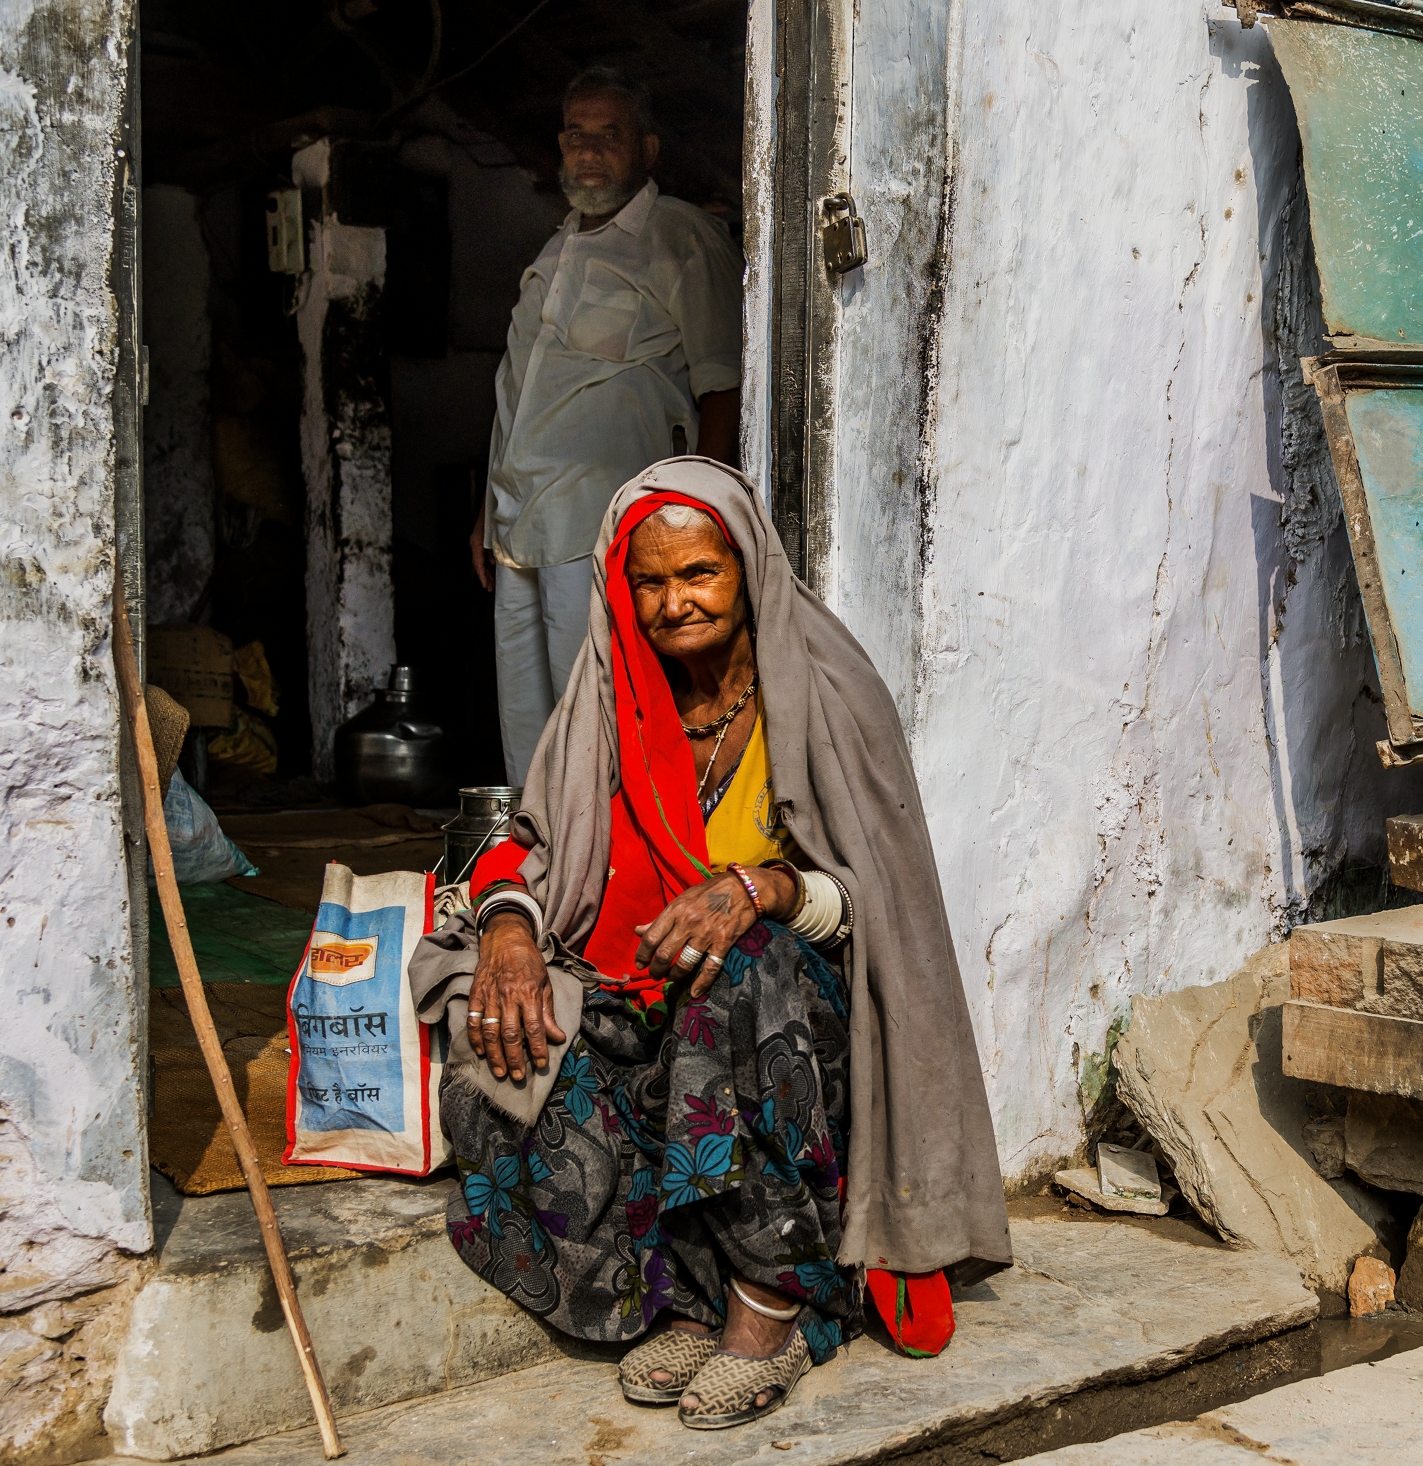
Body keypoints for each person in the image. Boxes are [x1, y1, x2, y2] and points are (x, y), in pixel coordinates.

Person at [413, 458, 1011, 1430]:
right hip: (656, 994)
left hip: (800, 1028)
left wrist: (761, 888)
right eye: (647, 581)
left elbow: (880, 907)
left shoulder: (822, 692)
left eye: (696, 573)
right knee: (505, 1039)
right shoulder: (612, 697)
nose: (671, 602)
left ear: (744, 568)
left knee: (739, 971)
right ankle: (683, 1288)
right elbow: (527, 844)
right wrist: (513, 929)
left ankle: (772, 1304)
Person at [473, 67, 744, 786]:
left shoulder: (680, 238)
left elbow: (724, 385)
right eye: (576, 135)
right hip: (518, 523)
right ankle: (537, 885)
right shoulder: (554, 251)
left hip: (606, 530)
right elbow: (520, 396)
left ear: (647, 150)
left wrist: (696, 516)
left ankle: (616, 883)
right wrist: (484, 514)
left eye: (609, 135)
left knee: (601, 721)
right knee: (529, 737)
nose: (588, 151)